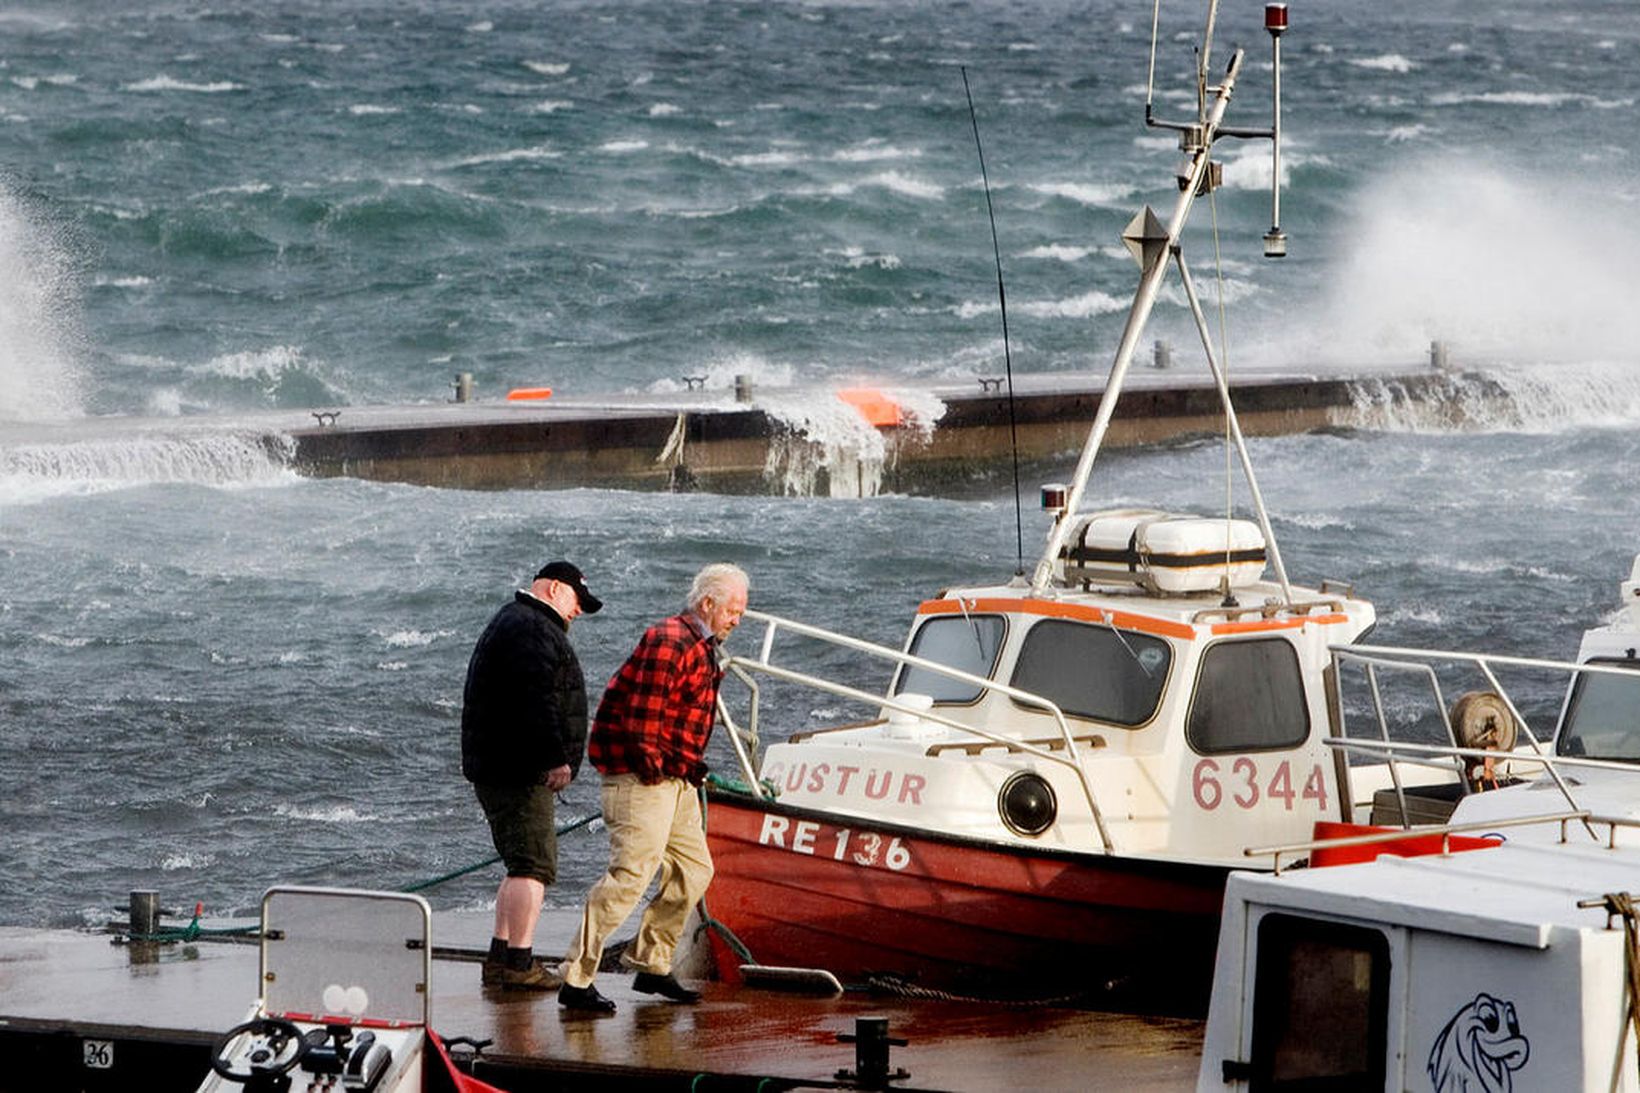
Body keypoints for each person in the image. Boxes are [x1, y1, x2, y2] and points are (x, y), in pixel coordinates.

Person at [557, 563, 750, 1013]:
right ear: (708, 604)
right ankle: (575, 977)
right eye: (734, 611)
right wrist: (657, 769)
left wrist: (686, 769)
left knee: (694, 870)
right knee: (630, 877)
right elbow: (643, 722)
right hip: (643, 778)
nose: (737, 620)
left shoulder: (701, 645)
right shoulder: (670, 639)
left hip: (675, 777)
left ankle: (652, 962)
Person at [461, 560, 602, 991]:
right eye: (578, 600)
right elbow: (535, 701)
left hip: (501, 765)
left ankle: (502, 956)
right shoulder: (533, 629)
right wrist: (555, 759)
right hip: (519, 769)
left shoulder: (517, 621)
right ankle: (520, 963)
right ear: (556, 590)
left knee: (520, 863)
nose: (578, 610)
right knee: (534, 866)